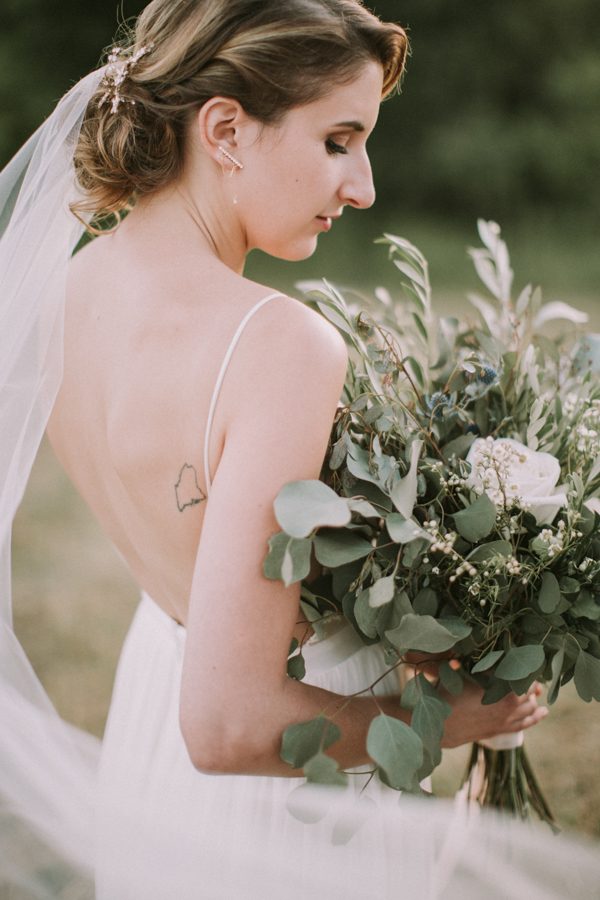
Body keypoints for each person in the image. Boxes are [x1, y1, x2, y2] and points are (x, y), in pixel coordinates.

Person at [1, 2, 587, 899]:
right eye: (338, 141)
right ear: (228, 129)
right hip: (284, 800)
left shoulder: (64, 296)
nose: (364, 187)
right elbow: (231, 722)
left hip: (151, 727)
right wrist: (444, 718)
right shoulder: (280, 346)